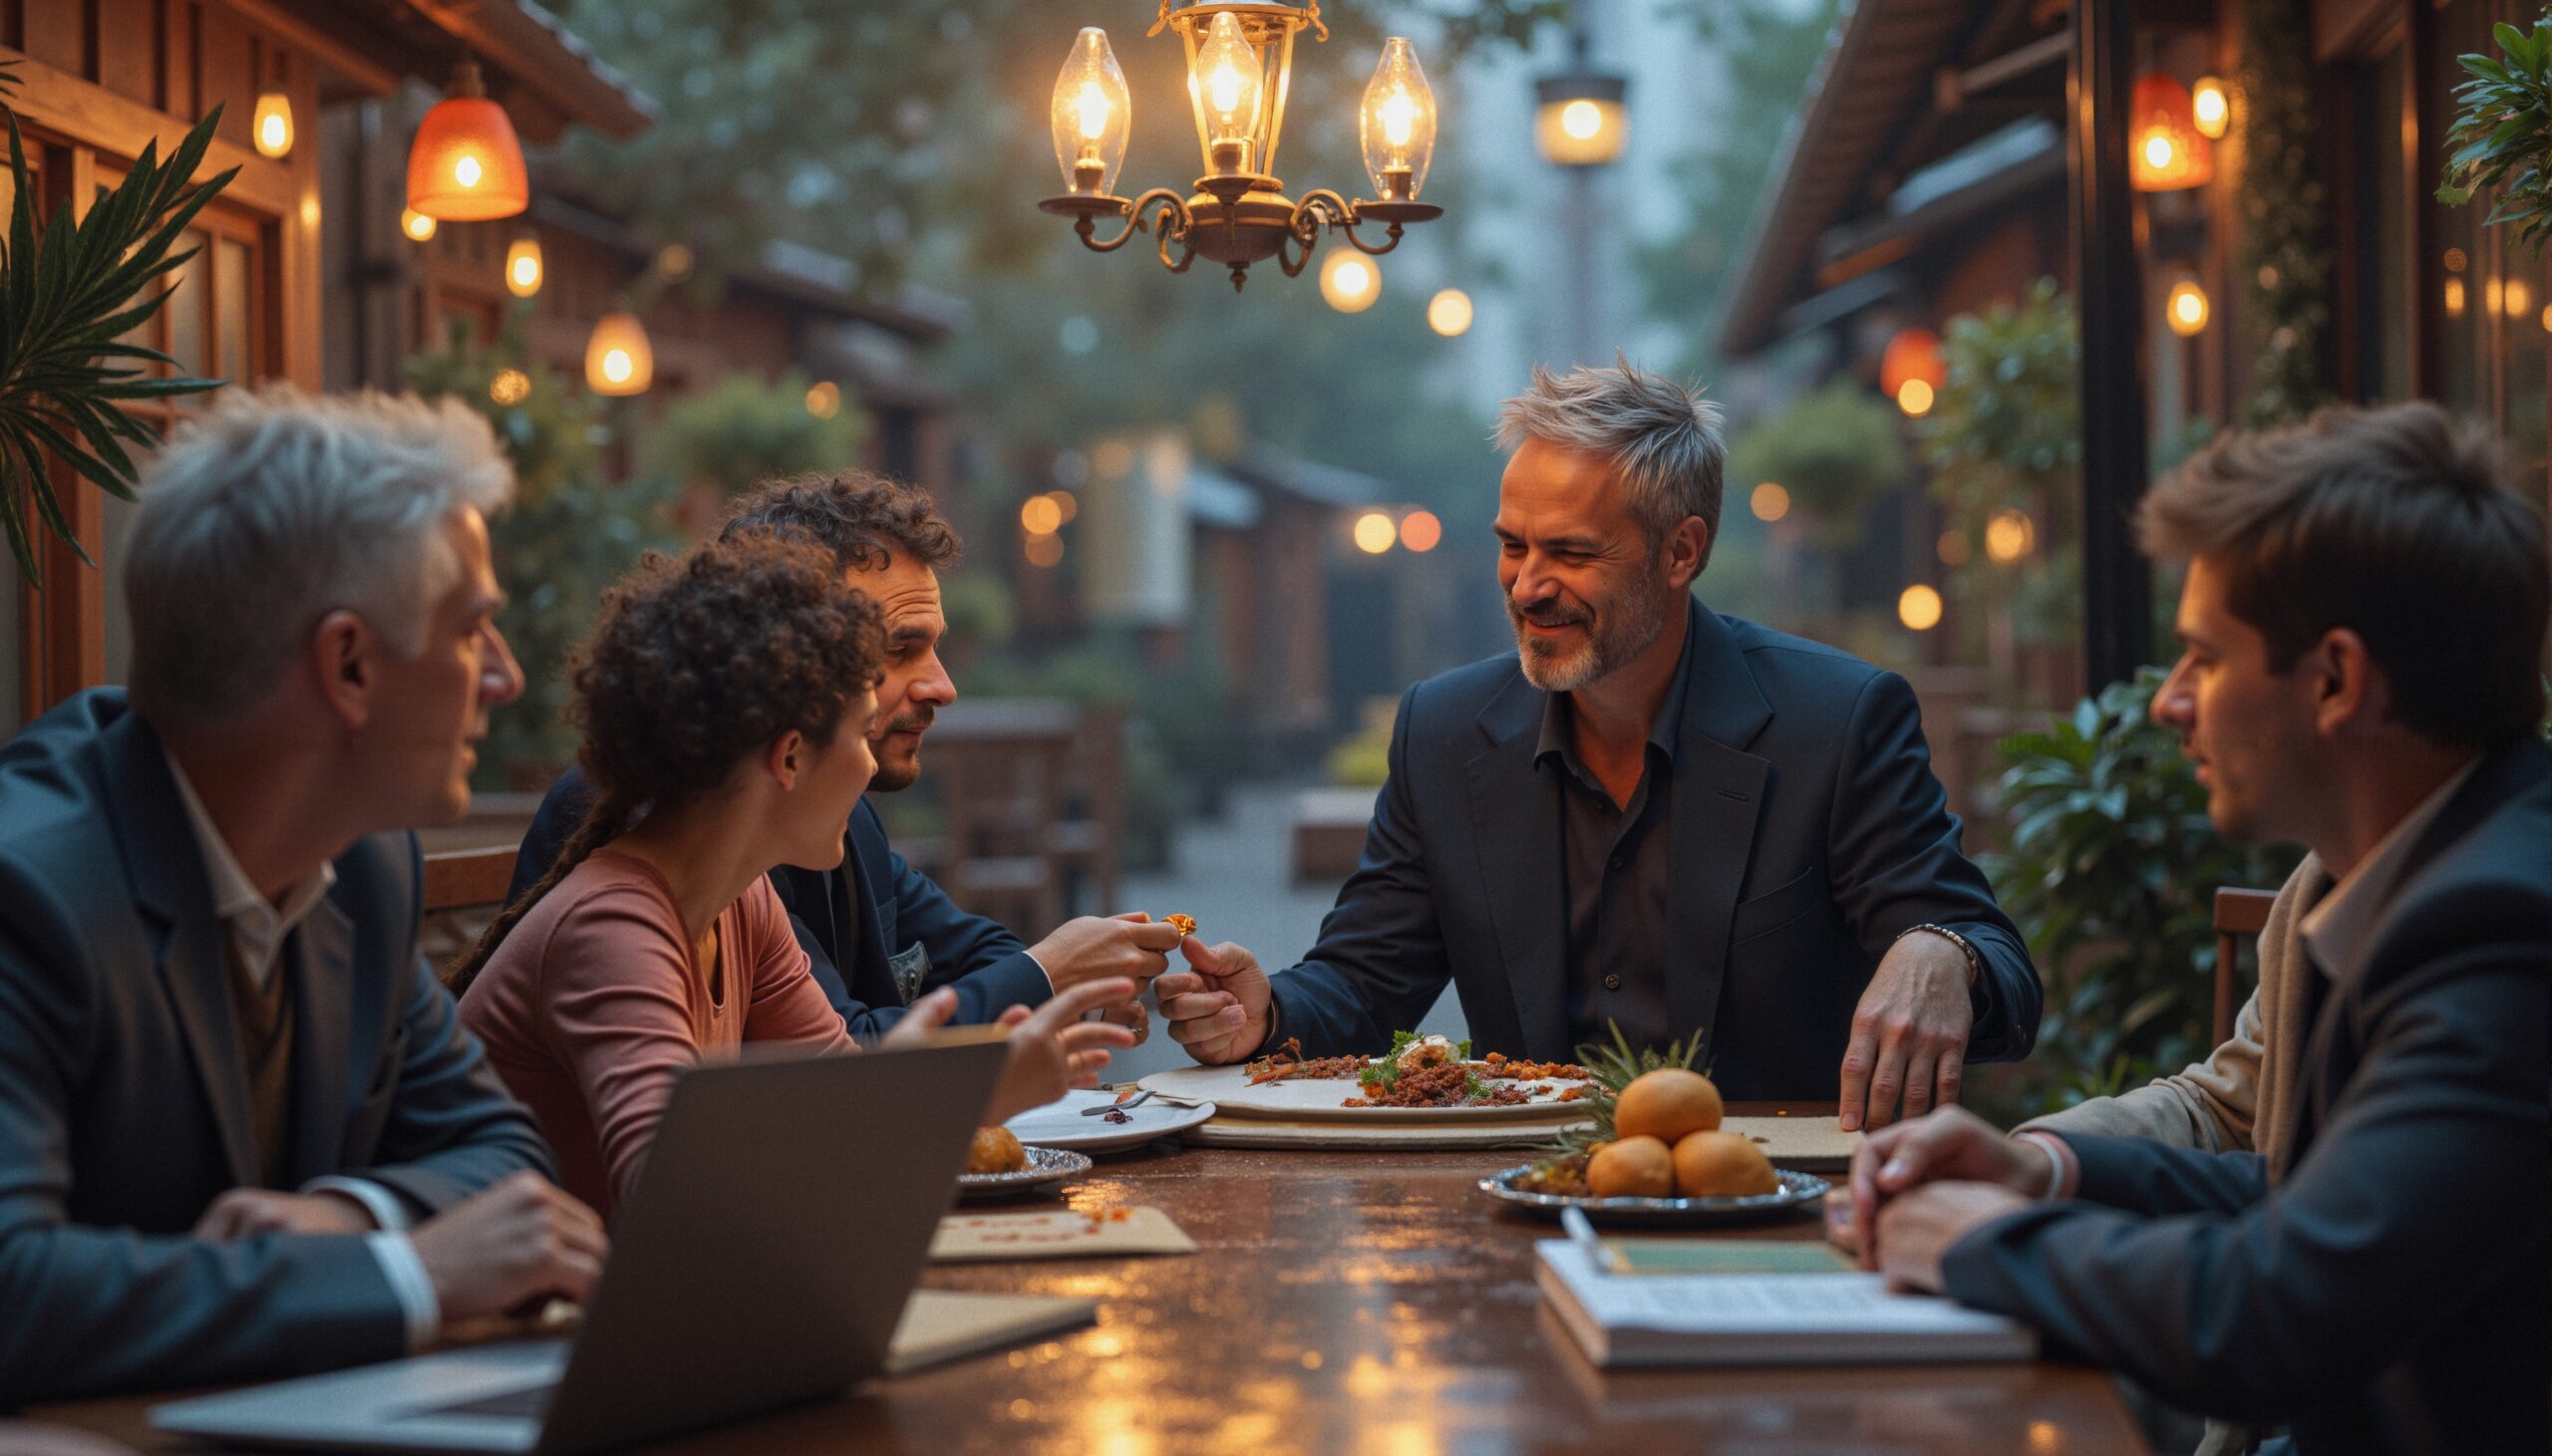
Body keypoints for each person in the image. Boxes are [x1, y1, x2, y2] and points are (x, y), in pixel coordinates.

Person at [1847, 403, 2551, 1456]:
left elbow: (2280, 1312)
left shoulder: (2502, 927)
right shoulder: (2406, 871)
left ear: (2334, 681)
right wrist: (2047, 1172)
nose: (2168, 704)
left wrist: (1987, 1242)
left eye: (2202, 660)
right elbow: (2306, 1194)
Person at [1157, 359, 2040, 1126]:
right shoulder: (1443, 730)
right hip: (1525, 1201)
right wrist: (1267, 1012)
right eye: (1512, 545)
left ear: (1681, 551)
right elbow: (1362, 979)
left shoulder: (1838, 721)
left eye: (1571, 553)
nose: (1528, 586)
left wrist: (1941, 951)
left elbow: (2002, 971)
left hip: (1771, 1199)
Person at [0, 389, 605, 1404]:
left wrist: (353, 1216)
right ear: (350, 665)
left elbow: (503, 1161)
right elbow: (12, 1290)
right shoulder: (29, 890)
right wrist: (405, 1271)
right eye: (472, 632)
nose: (501, 678)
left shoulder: (363, 871)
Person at [453, 534, 1135, 1216]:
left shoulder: (740, 901)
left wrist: (914, 1081)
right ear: (788, 759)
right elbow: (679, 1199)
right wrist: (958, 1094)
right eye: (860, 730)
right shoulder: (612, 925)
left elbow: (833, 1102)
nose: (868, 768)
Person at [510, 472, 1176, 1041]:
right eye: (899, 649)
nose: (943, 686)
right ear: (793, 655)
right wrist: (1049, 973)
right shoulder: (678, 823)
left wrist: (1058, 980)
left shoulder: (832, 818)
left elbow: (913, 999)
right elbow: (827, 1071)